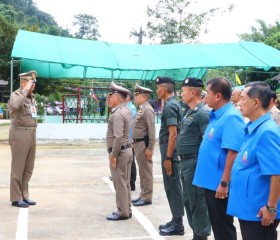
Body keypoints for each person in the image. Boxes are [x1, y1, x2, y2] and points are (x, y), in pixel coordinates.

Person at [193, 77, 245, 240]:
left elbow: (233, 153)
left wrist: (224, 183)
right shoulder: (216, 116)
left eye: (207, 92)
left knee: (223, 228)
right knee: (218, 226)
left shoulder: (230, 117)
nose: (204, 96)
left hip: (219, 184)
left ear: (218, 96)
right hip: (211, 182)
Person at [227, 82, 280, 240]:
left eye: (243, 99)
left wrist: (271, 207)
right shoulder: (254, 128)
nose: (238, 103)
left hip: (259, 210)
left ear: (256, 102)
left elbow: (276, 172)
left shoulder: (267, 132)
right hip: (249, 207)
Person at [177, 78, 211, 240]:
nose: (180, 94)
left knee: (198, 201)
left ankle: (201, 235)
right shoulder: (190, 111)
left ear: (192, 92)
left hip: (194, 162)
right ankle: (196, 232)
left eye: (183, 91)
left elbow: (207, 143)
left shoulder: (203, 113)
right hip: (185, 163)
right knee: (188, 200)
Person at [155, 76, 185, 236]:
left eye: (158, 87)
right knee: (171, 186)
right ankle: (175, 219)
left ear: (165, 89)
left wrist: (167, 158)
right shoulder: (172, 104)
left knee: (173, 187)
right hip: (169, 152)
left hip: (170, 154)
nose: (156, 90)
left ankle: (178, 224)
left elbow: (173, 134)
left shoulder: (170, 106)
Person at [7, 70, 38, 208]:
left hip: (31, 134)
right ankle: (15, 197)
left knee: (28, 168)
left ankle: (24, 195)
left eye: (34, 83)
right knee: (18, 168)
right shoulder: (16, 95)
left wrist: (29, 92)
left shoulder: (32, 97)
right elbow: (13, 107)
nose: (33, 85)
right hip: (19, 134)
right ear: (23, 82)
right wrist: (25, 91)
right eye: (30, 82)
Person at [105, 81, 133, 221]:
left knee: (120, 182)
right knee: (125, 182)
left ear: (117, 98)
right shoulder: (126, 110)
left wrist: (113, 156)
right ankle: (127, 208)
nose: (108, 99)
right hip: (127, 150)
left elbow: (117, 137)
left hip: (119, 152)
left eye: (111, 97)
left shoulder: (117, 114)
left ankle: (122, 211)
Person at [131, 83, 155, 206]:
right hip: (138, 144)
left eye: (137, 95)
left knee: (146, 172)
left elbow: (151, 130)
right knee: (142, 171)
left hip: (144, 144)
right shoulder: (141, 109)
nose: (135, 97)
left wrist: (150, 148)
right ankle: (143, 194)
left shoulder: (147, 110)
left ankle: (146, 197)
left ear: (144, 97)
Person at [126, 91, 137, 191]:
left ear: (128, 97)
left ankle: (131, 183)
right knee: (127, 160)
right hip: (125, 139)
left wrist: (131, 139)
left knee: (131, 161)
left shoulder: (132, 109)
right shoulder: (126, 108)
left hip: (130, 140)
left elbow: (132, 126)